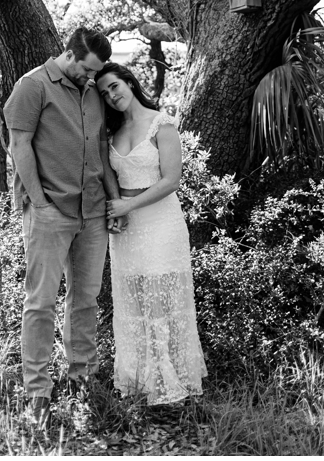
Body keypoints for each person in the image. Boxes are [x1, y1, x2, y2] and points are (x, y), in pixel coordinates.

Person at [4, 26, 121, 427]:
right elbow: (19, 146)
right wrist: (39, 203)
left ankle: (81, 380)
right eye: (87, 70)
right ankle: (37, 392)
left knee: (86, 300)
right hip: (50, 211)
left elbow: (102, 149)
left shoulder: (90, 91)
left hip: (93, 212)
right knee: (40, 303)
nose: (92, 79)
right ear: (70, 56)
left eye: (96, 72)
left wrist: (114, 198)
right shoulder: (32, 86)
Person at [96, 62, 207, 404]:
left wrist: (128, 207)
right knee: (134, 303)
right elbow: (108, 173)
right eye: (104, 93)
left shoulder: (162, 123)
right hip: (126, 230)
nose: (112, 96)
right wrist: (116, 207)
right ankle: (140, 380)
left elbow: (171, 180)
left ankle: (170, 383)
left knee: (160, 301)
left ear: (129, 82)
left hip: (160, 222)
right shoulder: (110, 132)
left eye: (114, 86)